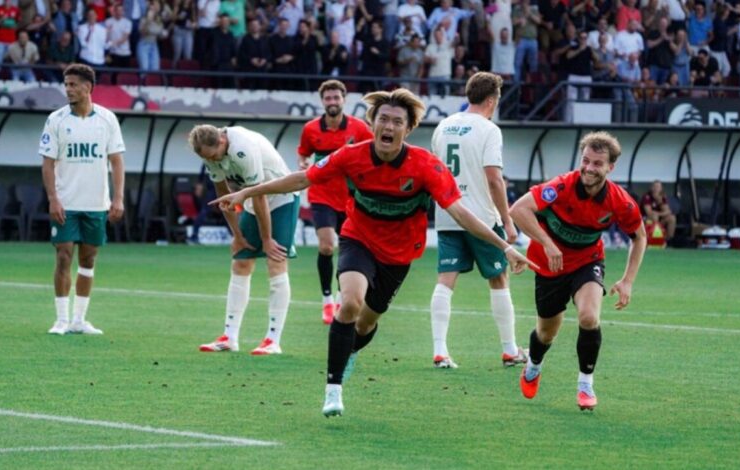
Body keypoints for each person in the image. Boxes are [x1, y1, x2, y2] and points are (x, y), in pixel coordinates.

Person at [211, 88, 535, 417]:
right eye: (383, 119)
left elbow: (462, 213)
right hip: (359, 239)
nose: (389, 126)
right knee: (350, 302)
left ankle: (347, 354)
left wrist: (506, 246)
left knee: (365, 325)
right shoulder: (351, 155)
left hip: (399, 255)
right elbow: (301, 179)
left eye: (397, 121)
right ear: (372, 124)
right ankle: (333, 389)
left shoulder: (426, 166)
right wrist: (250, 191)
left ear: (407, 130)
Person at [510, 131, 646, 411]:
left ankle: (586, 384)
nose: (589, 168)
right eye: (586, 160)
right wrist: (547, 243)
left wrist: (628, 281)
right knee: (546, 333)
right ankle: (534, 365)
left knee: (588, 316)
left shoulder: (620, 201)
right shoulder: (560, 186)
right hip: (550, 265)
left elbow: (640, 236)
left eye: (598, 163)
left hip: (587, 261)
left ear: (611, 167)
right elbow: (518, 209)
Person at [429, 72, 527, 369]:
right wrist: (508, 222)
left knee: (446, 281)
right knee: (498, 278)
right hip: (482, 217)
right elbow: (495, 179)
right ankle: (509, 350)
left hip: (448, 214)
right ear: (491, 100)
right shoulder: (489, 129)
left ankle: (439, 350)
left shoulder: (443, 126)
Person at [189, 124, 299, 356]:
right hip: (251, 198)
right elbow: (223, 194)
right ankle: (229, 337)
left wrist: (267, 239)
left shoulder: (243, 148)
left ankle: (272, 339)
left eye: (212, 156)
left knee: (275, 259)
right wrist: (237, 235)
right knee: (240, 260)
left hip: (281, 198)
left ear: (221, 141)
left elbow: (259, 194)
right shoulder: (210, 152)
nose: (212, 161)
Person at [39, 64, 126, 336]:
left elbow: (117, 161)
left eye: (73, 84)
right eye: (66, 84)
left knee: (88, 260)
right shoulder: (56, 120)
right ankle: (61, 320)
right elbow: (47, 164)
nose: (68, 89)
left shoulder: (107, 119)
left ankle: (79, 319)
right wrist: (53, 199)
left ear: (88, 87)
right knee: (64, 257)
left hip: (96, 204)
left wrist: (118, 198)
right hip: (66, 203)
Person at [297, 80, 374, 324]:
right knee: (327, 246)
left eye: (336, 98)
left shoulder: (359, 128)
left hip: (350, 197)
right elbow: (303, 152)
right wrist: (302, 163)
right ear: (322, 101)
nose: (332, 102)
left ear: (344, 99)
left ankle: (343, 296)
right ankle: (327, 301)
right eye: (328, 98)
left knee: (349, 249)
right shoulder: (311, 129)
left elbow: (372, 151)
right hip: (321, 195)